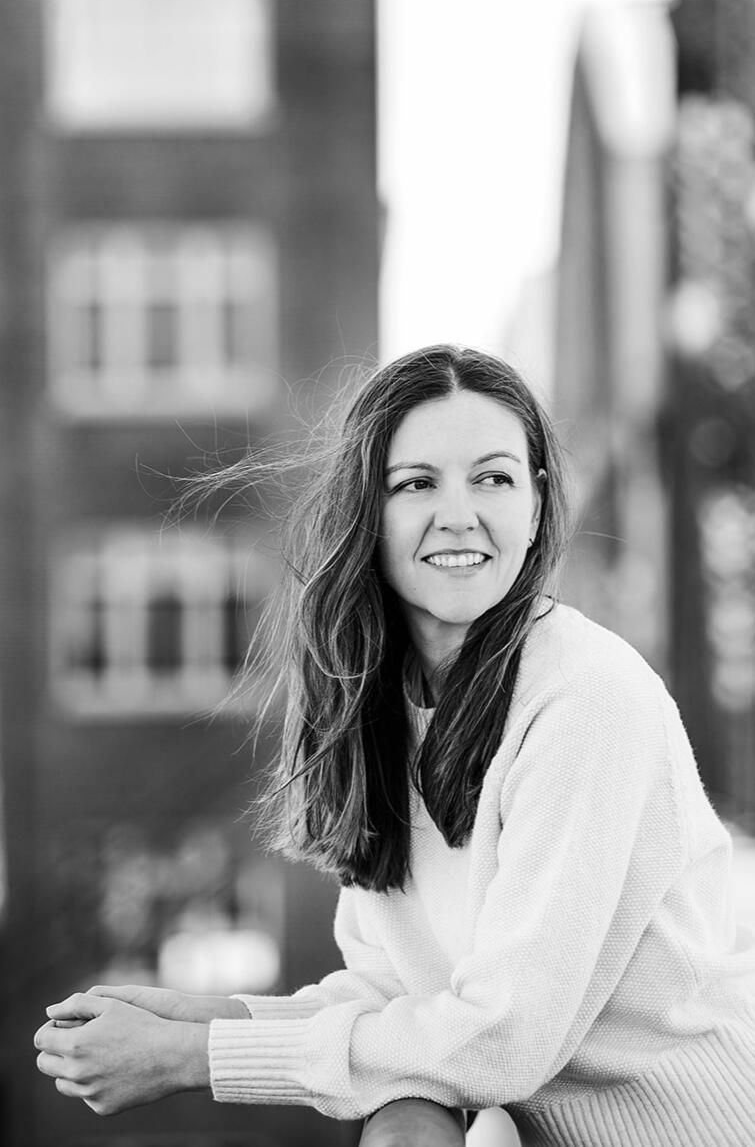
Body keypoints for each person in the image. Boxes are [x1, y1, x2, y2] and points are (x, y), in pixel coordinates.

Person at [34, 346, 755, 1146]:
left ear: (536, 502)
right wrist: (202, 1015)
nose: (459, 514)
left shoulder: (586, 699)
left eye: (493, 477)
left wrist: (195, 1057)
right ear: (366, 514)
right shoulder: (384, 702)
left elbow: (500, 1039)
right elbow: (392, 991)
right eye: (416, 483)